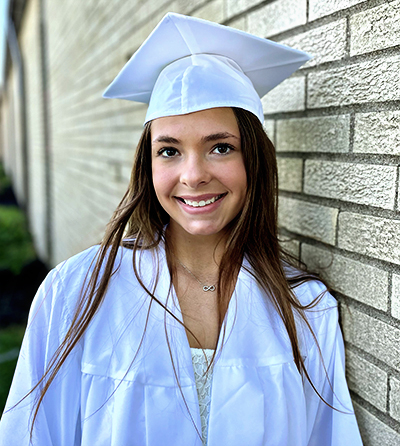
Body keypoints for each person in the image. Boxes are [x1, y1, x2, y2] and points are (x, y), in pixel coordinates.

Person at [0, 13, 362, 446]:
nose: (193, 175)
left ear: (255, 161)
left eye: (220, 147)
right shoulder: (75, 293)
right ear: (147, 166)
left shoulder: (304, 308)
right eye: (169, 150)